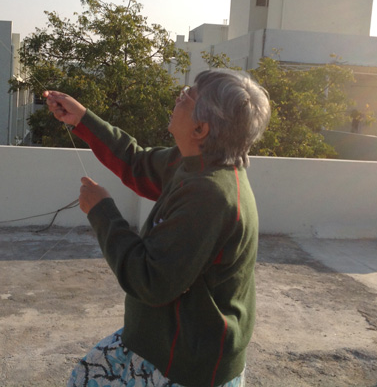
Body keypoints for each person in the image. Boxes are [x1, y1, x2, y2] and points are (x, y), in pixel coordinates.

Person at [45, 69, 271, 387]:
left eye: (189, 95)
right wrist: (82, 119)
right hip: (161, 345)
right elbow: (136, 163)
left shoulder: (209, 193)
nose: (180, 95)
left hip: (187, 364)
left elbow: (150, 281)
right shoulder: (192, 164)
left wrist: (102, 212)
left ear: (200, 128)